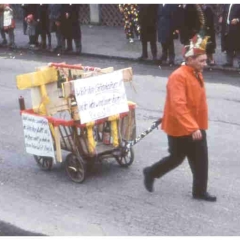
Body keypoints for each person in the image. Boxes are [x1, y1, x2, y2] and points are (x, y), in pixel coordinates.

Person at [143, 34, 217, 202]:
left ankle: (199, 191)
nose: (205, 64)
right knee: (176, 158)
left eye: (205, 60)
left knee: (201, 159)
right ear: (190, 59)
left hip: (195, 125)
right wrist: (192, 127)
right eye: (202, 61)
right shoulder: (178, 77)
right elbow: (178, 105)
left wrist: (196, 126)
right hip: (181, 127)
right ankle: (151, 172)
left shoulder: (195, 71)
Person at [220, 4, 240, 69]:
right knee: (228, 44)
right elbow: (224, 12)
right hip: (227, 26)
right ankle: (229, 62)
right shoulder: (227, 4)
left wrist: (237, 20)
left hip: (237, 27)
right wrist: (221, 17)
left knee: (237, 45)